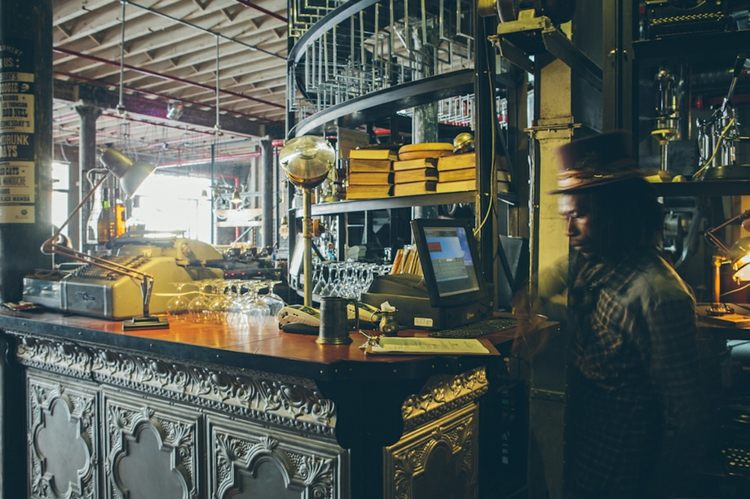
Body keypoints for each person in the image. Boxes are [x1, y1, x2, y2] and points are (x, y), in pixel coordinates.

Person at [530, 131, 709, 499]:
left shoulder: (658, 295)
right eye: (566, 216)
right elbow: (551, 278)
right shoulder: (594, 259)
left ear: (616, 212)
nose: (569, 229)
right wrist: (528, 306)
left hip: (627, 469)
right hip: (586, 450)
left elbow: (685, 418)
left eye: (579, 216)